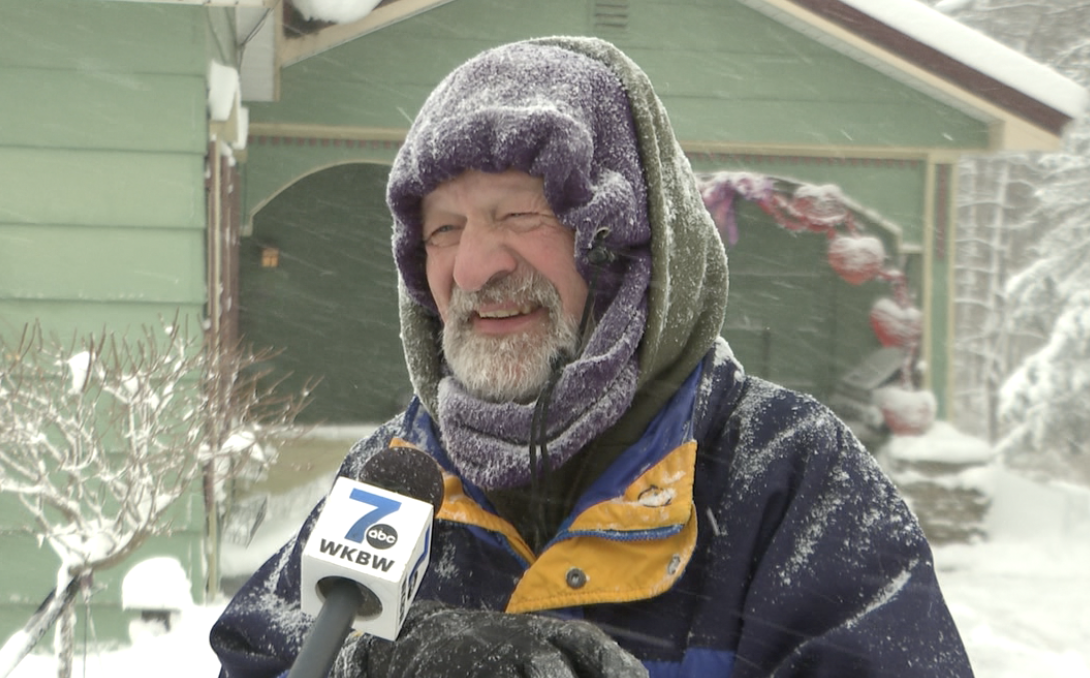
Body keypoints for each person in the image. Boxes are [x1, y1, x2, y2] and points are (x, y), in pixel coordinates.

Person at [211, 36, 974, 678]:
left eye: (519, 213)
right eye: (443, 230)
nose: (473, 267)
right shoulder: (399, 475)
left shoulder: (790, 479)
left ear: (631, 250)